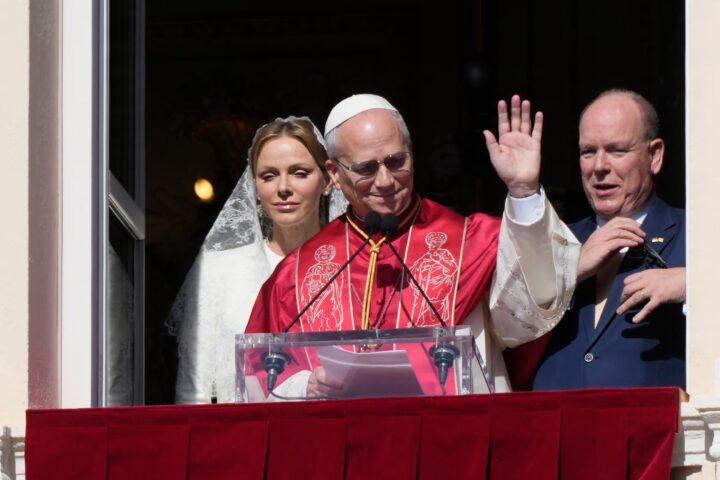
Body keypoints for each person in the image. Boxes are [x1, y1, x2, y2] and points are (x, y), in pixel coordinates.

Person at [245, 94, 581, 395]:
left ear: (412, 154)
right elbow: (259, 371)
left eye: (396, 161)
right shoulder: (298, 273)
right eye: (366, 168)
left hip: (448, 435)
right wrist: (305, 384)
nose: (385, 181)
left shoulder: (473, 242)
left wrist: (523, 191)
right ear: (334, 173)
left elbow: (530, 312)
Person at [168, 116, 347, 404]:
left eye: (299, 173)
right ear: (255, 186)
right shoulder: (218, 269)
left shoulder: (354, 266)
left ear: (327, 180)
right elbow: (193, 389)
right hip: (239, 428)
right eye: (269, 176)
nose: (283, 187)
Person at [532, 90, 686, 390]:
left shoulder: (697, 235)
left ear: (655, 156)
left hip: (653, 419)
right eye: (588, 152)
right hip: (557, 416)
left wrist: (693, 285)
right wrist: (570, 268)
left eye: (617, 151)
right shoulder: (555, 241)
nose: (599, 166)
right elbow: (502, 326)